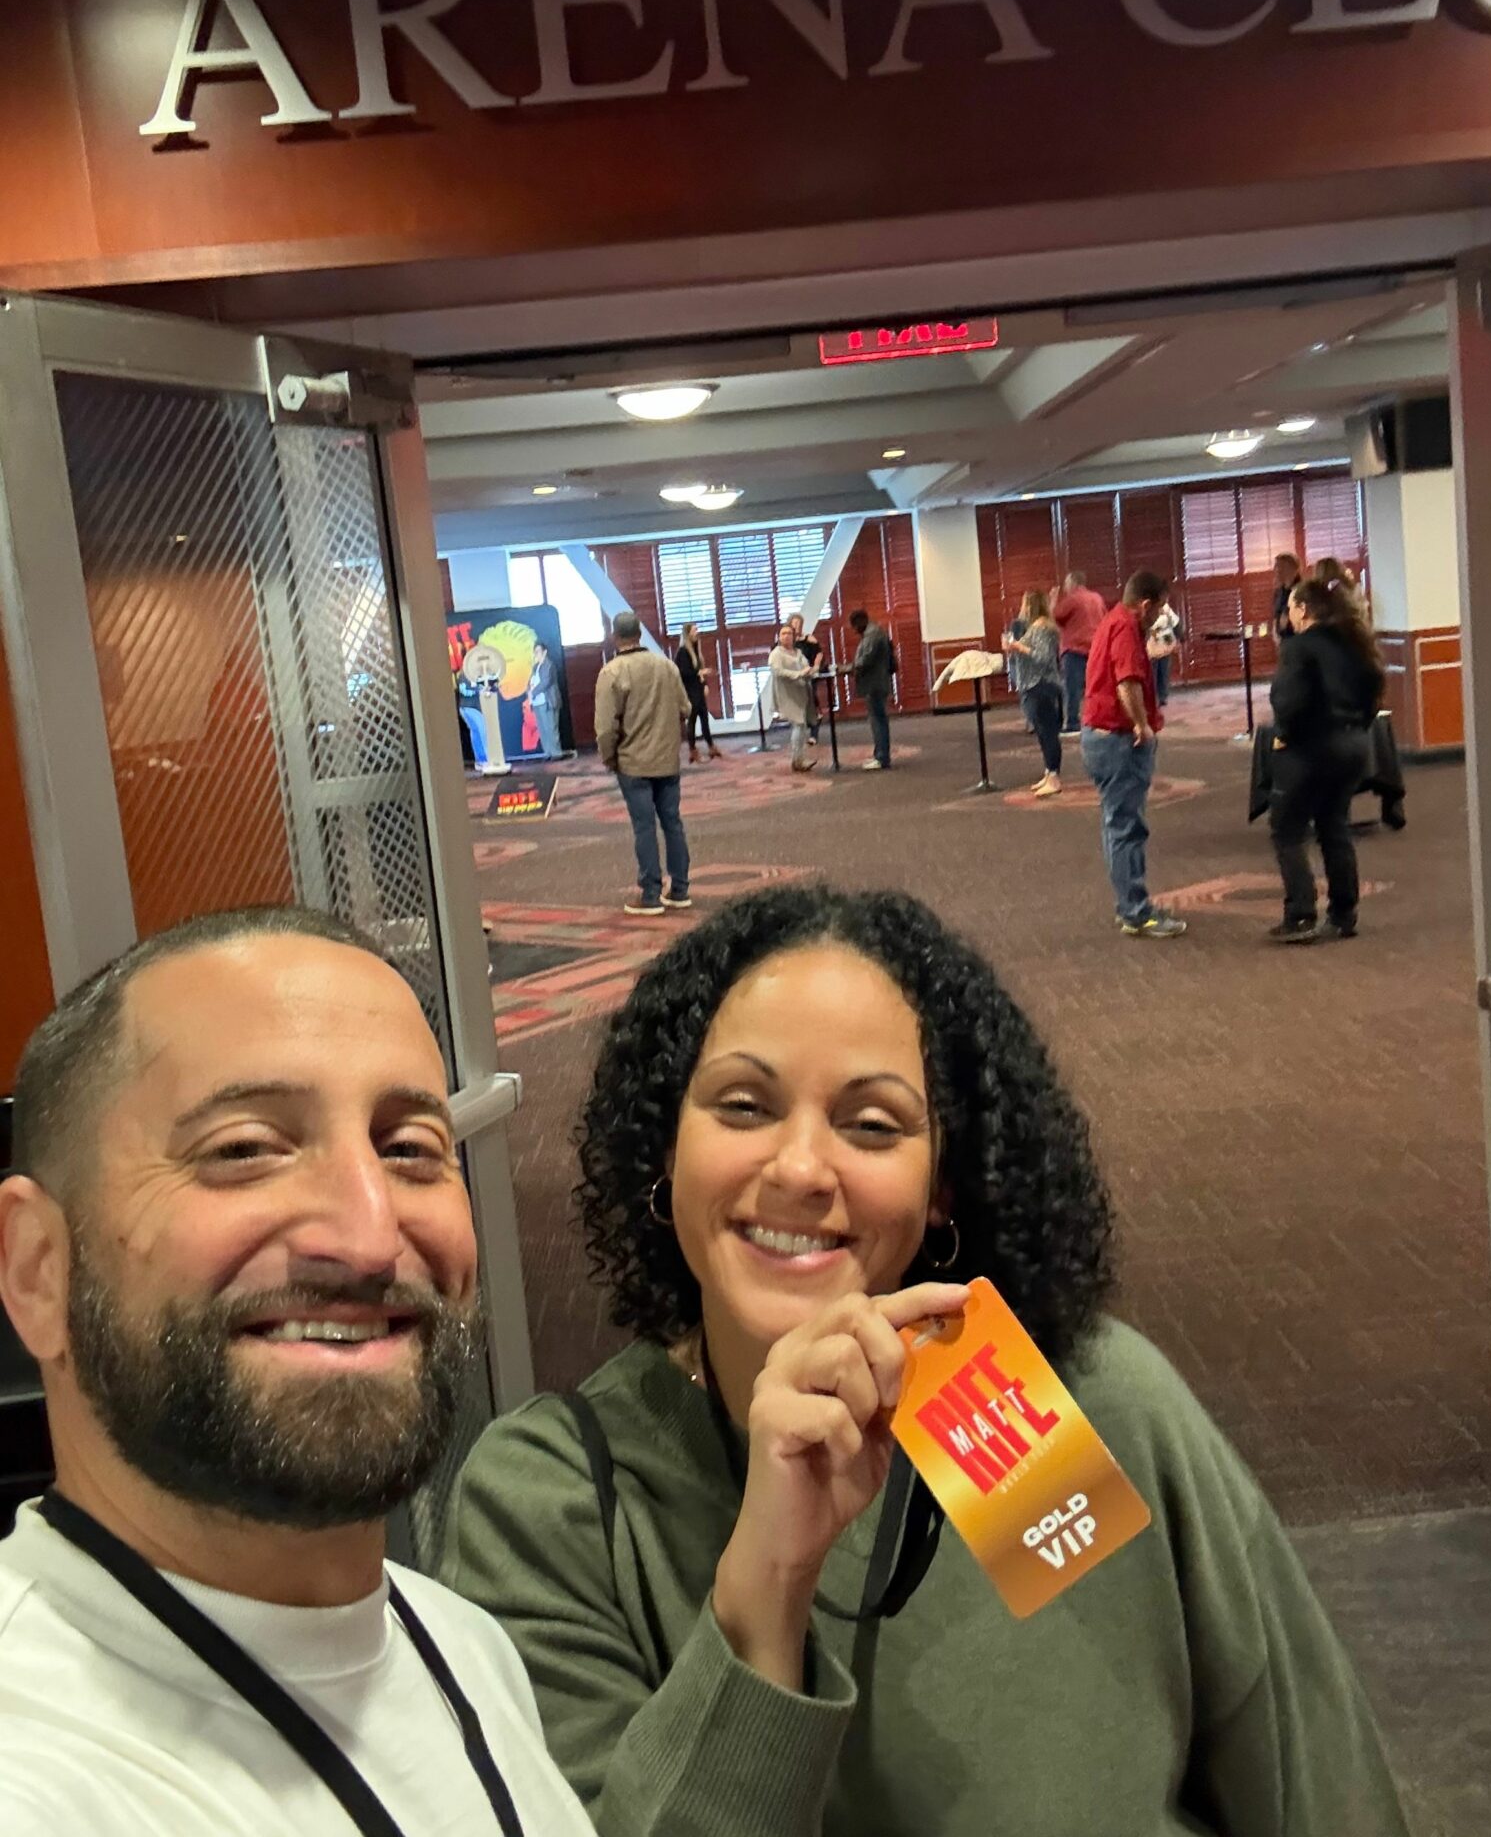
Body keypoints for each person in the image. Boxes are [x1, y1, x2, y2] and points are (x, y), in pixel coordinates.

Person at [443, 885, 1410, 1837]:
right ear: (665, 1147)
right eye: (743, 1107)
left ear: (942, 1185)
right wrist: (769, 1586)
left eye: (872, 1125)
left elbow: (1310, 1777)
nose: (800, 1169)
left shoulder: (1066, 1406)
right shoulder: (555, 1505)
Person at [0, 906, 593, 1837]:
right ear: (37, 1267)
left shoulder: (460, 1643)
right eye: (244, 1150)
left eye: (409, 1149)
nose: (368, 1237)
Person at [1266, 579, 1386, 944]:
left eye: (1290, 608)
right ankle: (1343, 914)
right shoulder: (1356, 642)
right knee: (1334, 827)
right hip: (1354, 745)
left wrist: (1284, 733)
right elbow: (1373, 693)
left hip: (1312, 748)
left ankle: (1301, 914)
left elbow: (1288, 700)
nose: (1288, 614)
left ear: (1303, 609)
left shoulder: (1299, 647)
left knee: (1286, 829)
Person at [1081, 570, 1186, 939]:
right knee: (1128, 828)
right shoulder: (1126, 628)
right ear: (1145, 605)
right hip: (1119, 741)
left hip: (1099, 737)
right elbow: (1127, 683)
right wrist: (1142, 725)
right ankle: (1137, 912)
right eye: (1159, 608)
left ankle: (1128, 905)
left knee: (1117, 825)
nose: (1161, 616)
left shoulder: (1115, 622)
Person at [595, 612, 693, 918]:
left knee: (644, 827)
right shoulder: (667, 666)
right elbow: (685, 708)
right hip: (667, 761)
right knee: (673, 823)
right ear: (639, 633)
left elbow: (605, 728)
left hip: (633, 763)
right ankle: (679, 890)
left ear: (615, 637)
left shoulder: (612, 672)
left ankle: (651, 894)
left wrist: (609, 757)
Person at [1000, 589, 1064, 795]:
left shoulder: (1043, 628)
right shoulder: (1038, 626)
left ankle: (1054, 776)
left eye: (1025, 604)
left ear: (1031, 606)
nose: (1022, 608)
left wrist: (1019, 648)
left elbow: (1043, 657)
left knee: (1048, 732)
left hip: (1042, 685)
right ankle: (1049, 772)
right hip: (1034, 684)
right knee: (1043, 732)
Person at [1050, 570, 1108, 735]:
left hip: (1074, 649)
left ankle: (1073, 723)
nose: (1066, 587)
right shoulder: (1097, 598)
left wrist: (1053, 600)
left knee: (1072, 689)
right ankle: (1100, 719)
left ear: (1073, 583)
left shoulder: (1072, 599)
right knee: (1097, 687)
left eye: (1067, 583)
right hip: (1095, 649)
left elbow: (1055, 616)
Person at [848, 609, 893, 771]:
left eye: (854, 626)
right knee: (879, 719)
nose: (854, 630)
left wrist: (848, 668)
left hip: (874, 683)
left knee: (878, 721)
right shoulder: (875, 632)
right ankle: (880, 755)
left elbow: (865, 660)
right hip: (878, 682)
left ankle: (881, 758)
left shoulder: (872, 635)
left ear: (859, 622)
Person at [768, 623, 817, 773]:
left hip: (801, 691)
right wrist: (798, 674)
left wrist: (809, 671)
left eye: (789, 633)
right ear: (779, 637)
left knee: (801, 726)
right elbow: (778, 672)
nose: (786, 636)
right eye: (783, 633)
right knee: (799, 724)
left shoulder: (798, 652)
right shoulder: (776, 653)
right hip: (787, 694)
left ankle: (799, 759)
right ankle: (797, 760)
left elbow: (806, 666)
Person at [674, 623, 722, 764]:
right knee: (692, 721)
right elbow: (682, 673)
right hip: (690, 690)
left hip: (698, 689)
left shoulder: (696, 649)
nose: (697, 632)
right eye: (694, 630)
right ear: (687, 633)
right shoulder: (682, 652)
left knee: (704, 719)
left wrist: (705, 684)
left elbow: (698, 669)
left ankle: (711, 746)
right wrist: (700, 673)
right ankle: (693, 750)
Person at [788, 613, 825, 742]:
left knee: (810, 701)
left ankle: (814, 733)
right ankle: (803, 729)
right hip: (794, 677)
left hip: (808, 675)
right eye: (794, 623)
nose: (797, 626)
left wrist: (815, 666)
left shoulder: (808, 638)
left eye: (799, 623)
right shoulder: (787, 641)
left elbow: (819, 652)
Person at [527, 639, 564, 760]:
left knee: (551, 727)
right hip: (537, 702)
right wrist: (529, 691)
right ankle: (548, 752)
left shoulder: (549, 665)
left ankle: (556, 753)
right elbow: (530, 682)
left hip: (548, 701)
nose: (536, 654)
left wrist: (533, 692)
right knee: (542, 728)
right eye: (535, 652)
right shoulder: (535, 667)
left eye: (538, 651)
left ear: (545, 652)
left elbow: (546, 682)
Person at [1148, 595, 1182, 709]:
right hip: (1152, 644)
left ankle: (1163, 697)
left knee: (1164, 671)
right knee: (1152, 673)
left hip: (1166, 642)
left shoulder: (1166, 609)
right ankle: (1154, 698)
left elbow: (1176, 624)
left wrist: (1178, 640)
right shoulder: (1147, 609)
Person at [1271, 553, 1302, 641]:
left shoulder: (1302, 591)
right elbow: (1276, 616)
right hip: (1284, 642)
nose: (1275, 570)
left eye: (1279, 566)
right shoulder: (1278, 593)